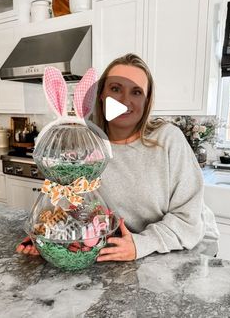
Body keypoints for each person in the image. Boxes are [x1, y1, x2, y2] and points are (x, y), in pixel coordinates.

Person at [16, 53, 219, 259]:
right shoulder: (86, 145)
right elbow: (76, 206)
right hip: (125, 248)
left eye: (136, 92)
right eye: (115, 89)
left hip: (187, 247)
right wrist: (50, 237)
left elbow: (188, 220)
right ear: (101, 95)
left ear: (147, 101)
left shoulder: (168, 139)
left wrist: (141, 244)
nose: (125, 101)